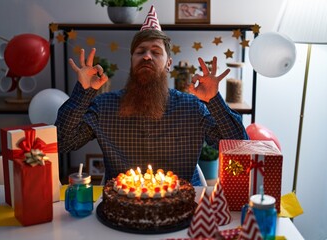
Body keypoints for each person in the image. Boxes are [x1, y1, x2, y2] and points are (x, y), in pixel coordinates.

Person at [55, 8, 248, 186]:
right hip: (124, 207)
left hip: (184, 207)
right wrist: (82, 92)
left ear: (168, 63)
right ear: (131, 61)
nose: (147, 56)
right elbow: (63, 141)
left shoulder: (192, 107)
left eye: (155, 52)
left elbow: (241, 147)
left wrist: (214, 100)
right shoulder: (104, 106)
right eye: (140, 52)